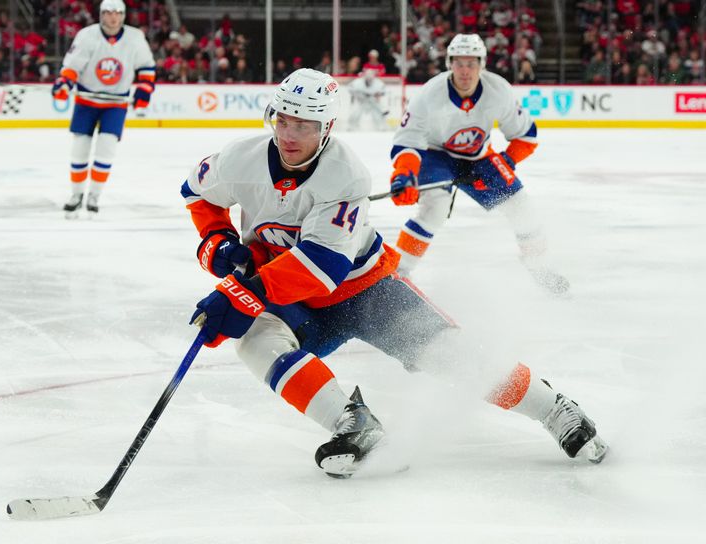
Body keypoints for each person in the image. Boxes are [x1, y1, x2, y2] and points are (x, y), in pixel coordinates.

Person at [181, 68, 607, 478]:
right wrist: (215, 243)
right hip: (294, 298)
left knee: (452, 356)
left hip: (366, 291)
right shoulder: (241, 158)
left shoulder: (345, 175)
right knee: (257, 343)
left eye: (305, 125)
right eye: (284, 120)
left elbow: (323, 267)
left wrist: (243, 292)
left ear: (326, 127)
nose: (290, 135)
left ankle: (553, 408)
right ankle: (353, 425)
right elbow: (196, 192)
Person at [389, 34, 569, 294]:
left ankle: (538, 266)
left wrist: (506, 161)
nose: (465, 71)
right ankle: (399, 273)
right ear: (449, 64)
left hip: (479, 156)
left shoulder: (498, 90)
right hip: (434, 152)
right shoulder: (429, 94)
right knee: (434, 208)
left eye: (471, 63)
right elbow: (407, 141)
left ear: (482, 64)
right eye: (459, 63)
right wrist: (404, 175)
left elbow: (526, 135)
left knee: (522, 207)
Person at [53, 0, 155, 218]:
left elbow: (146, 67)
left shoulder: (135, 37)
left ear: (123, 15)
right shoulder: (87, 35)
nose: (113, 18)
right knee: (80, 148)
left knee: (106, 148)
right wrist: (64, 84)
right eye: (108, 13)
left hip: (115, 104)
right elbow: (72, 67)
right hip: (86, 101)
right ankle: (77, 194)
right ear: (101, 15)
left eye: (117, 13)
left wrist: (143, 93)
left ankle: (94, 196)